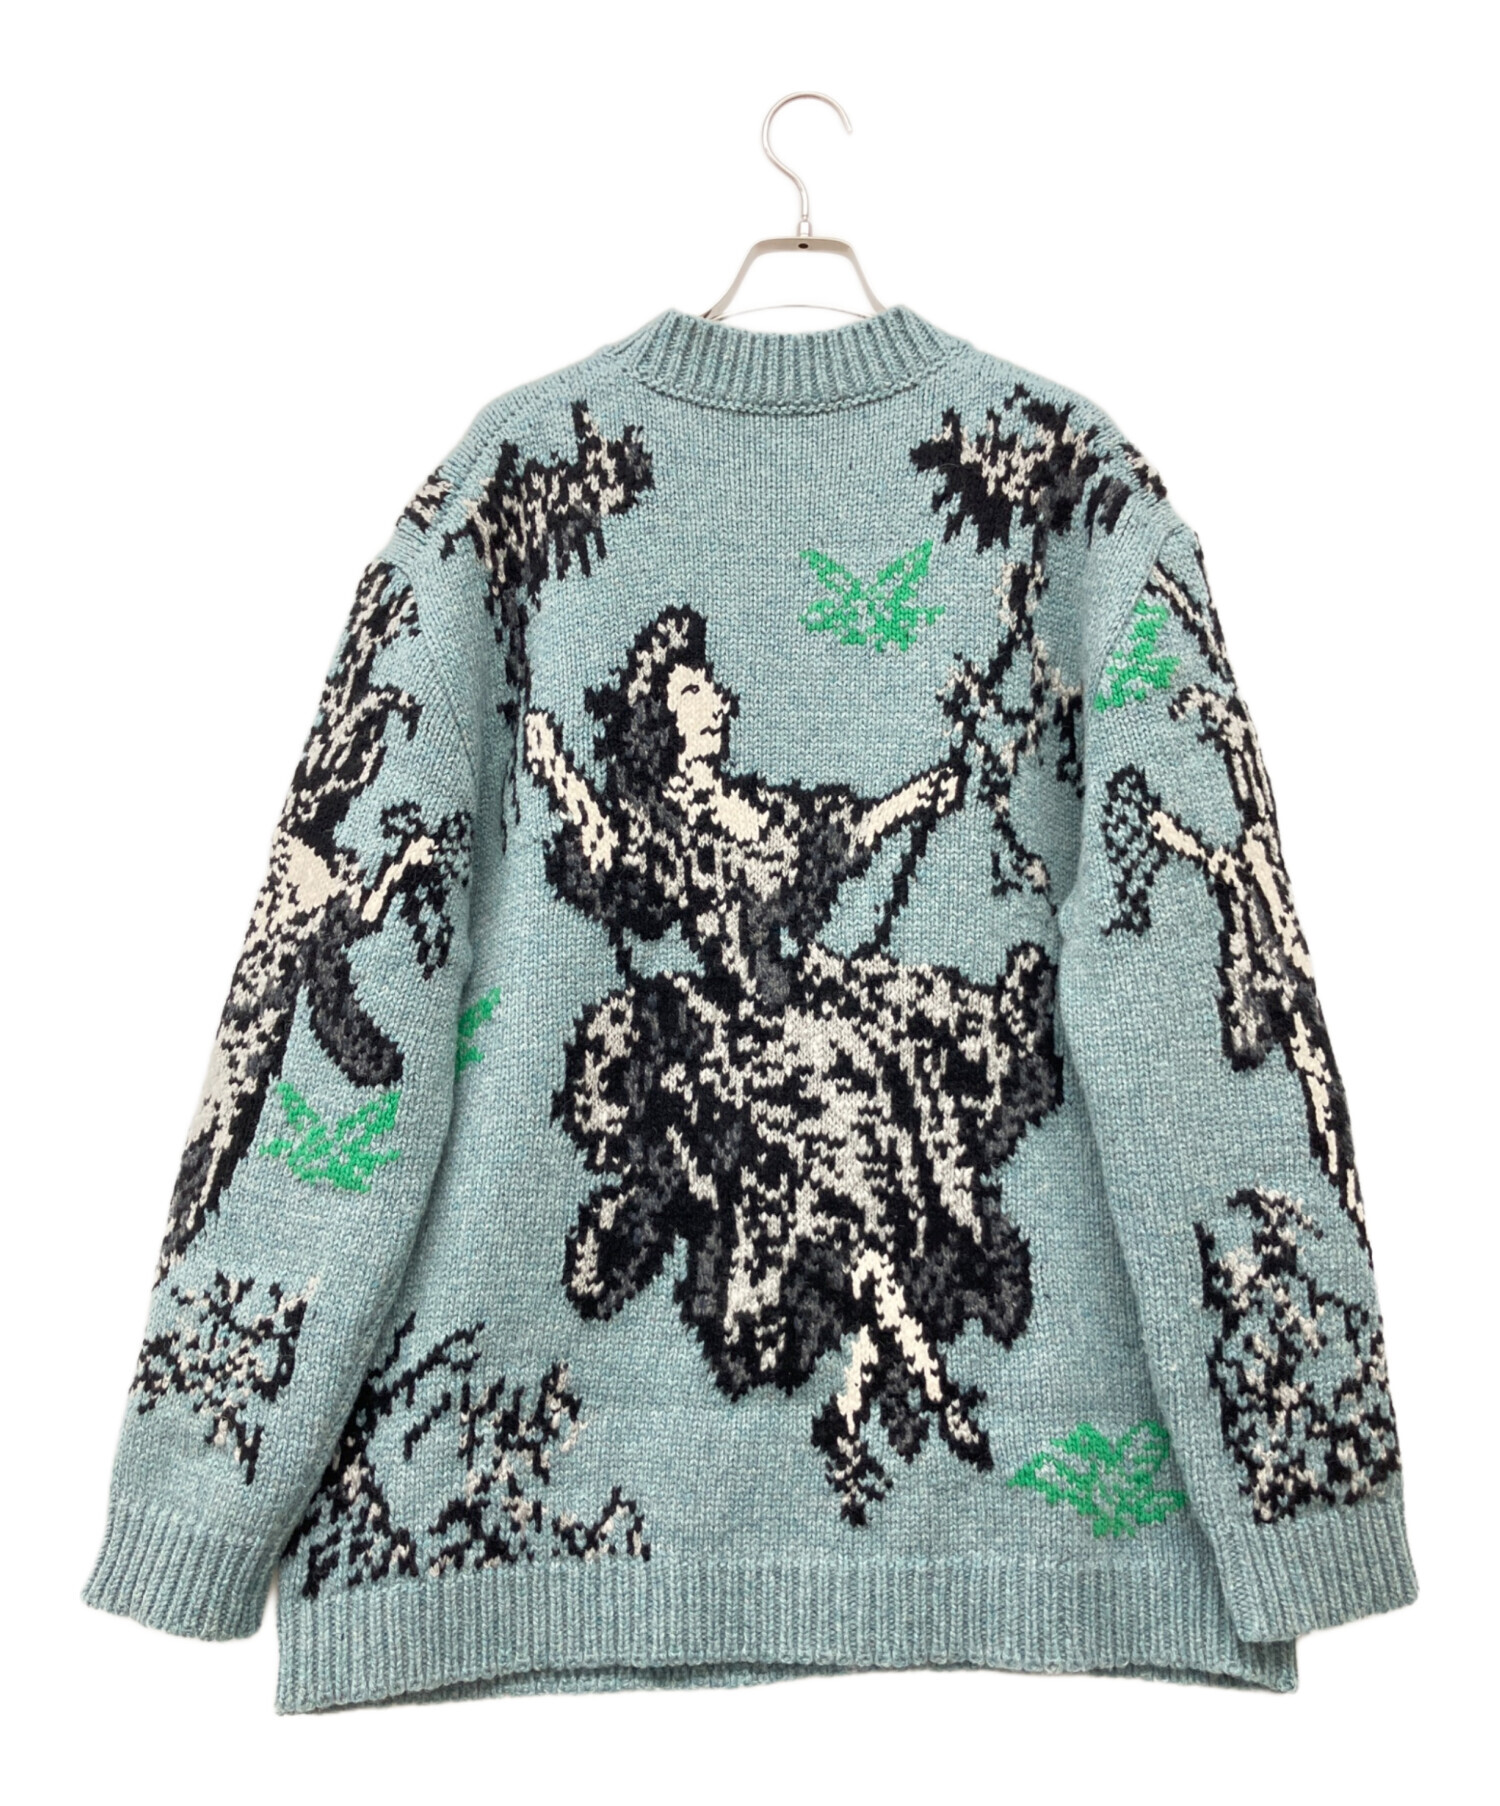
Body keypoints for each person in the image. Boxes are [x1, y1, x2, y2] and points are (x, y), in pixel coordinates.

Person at [523, 605, 1062, 1524]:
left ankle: (863, 1401)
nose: (717, 701)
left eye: (709, 686)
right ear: (664, 714)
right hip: (742, 1038)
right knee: (845, 1172)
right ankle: (925, 1390)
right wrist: (560, 776)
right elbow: (614, 861)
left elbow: (829, 842)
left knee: (913, 1108)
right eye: (694, 690)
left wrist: (909, 804)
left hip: (818, 1003)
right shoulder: (666, 824)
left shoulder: (754, 806)